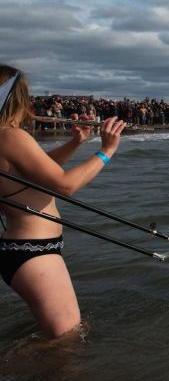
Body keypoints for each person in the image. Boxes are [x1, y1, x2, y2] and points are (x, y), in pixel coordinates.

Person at [0, 64, 127, 338]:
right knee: (67, 341)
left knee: (62, 337)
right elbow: (65, 185)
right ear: (15, 98)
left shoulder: (5, 138)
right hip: (33, 252)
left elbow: (35, 172)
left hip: (25, 249)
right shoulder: (11, 136)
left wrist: (76, 143)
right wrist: (107, 151)